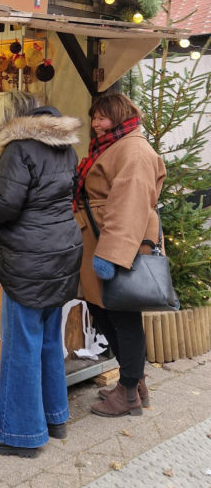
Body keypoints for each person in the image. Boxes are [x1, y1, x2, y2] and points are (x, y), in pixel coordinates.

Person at [0, 90, 83, 458]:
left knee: (22, 344)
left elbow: (6, 205)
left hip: (29, 256)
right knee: (50, 339)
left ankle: (20, 432)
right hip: (62, 250)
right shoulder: (64, 145)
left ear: (12, 120)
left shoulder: (18, 149)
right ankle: (55, 417)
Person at [72, 93, 165, 417]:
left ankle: (128, 393)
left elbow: (129, 205)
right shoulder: (115, 145)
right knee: (103, 311)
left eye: (103, 117)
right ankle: (134, 383)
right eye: (94, 117)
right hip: (98, 238)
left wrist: (111, 254)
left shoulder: (133, 150)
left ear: (120, 115)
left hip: (114, 242)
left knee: (122, 315)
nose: (96, 124)